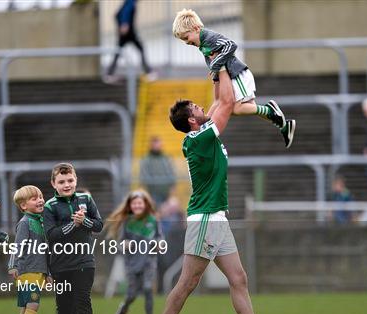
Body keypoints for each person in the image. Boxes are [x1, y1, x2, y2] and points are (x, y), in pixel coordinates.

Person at [149, 65, 291, 314]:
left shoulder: (202, 133)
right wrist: (224, 66)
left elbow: (217, 102)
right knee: (188, 282)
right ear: (192, 120)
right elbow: (226, 103)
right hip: (205, 220)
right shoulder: (199, 140)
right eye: (197, 108)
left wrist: (216, 72)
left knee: (238, 278)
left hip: (216, 219)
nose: (204, 107)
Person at [172, 8, 296, 148]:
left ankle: (270, 110)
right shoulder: (203, 44)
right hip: (232, 76)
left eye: (186, 38)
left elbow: (231, 45)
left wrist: (216, 64)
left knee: (237, 108)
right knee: (243, 108)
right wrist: (216, 72)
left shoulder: (208, 37)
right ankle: (284, 125)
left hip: (237, 74)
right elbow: (215, 64)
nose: (186, 42)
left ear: (195, 28)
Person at [43, 163, 103, 314]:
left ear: (75, 180)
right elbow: (51, 235)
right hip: (60, 265)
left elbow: (99, 225)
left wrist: (84, 221)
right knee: (64, 305)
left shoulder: (86, 198)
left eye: (70, 180)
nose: (66, 184)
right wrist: (74, 224)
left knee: (83, 299)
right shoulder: (50, 206)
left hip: (85, 261)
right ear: (53, 184)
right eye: (61, 181)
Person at [106, 190, 162, 314]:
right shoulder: (127, 222)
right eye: (134, 203)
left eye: (139, 203)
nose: (137, 206)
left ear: (145, 204)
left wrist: (157, 244)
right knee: (132, 294)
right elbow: (120, 242)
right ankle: (123, 308)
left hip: (149, 261)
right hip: (131, 263)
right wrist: (124, 244)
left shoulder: (153, 220)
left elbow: (160, 238)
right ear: (130, 206)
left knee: (148, 288)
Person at [8, 185, 49, 314]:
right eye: (34, 198)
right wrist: (13, 265)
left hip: (38, 271)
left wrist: (47, 273)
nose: (40, 200)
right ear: (23, 206)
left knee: (25, 309)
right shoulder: (25, 223)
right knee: (32, 306)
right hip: (27, 271)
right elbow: (17, 246)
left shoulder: (40, 221)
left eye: (40, 196)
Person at [105, 0, 155, 83]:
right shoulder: (130, 2)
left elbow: (117, 14)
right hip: (129, 32)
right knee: (140, 48)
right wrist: (125, 24)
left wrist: (122, 24)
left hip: (125, 33)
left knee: (118, 52)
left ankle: (109, 73)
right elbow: (126, 12)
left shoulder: (127, 2)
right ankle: (148, 71)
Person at [139, 137, 176, 206]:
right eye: (155, 144)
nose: (157, 146)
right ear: (151, 145)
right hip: (152, 194)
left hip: (166, 194)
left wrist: (172, 194)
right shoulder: (146, 159)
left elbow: (172, 177)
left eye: (158, 144)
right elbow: (143, 179)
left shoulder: (166, 158)